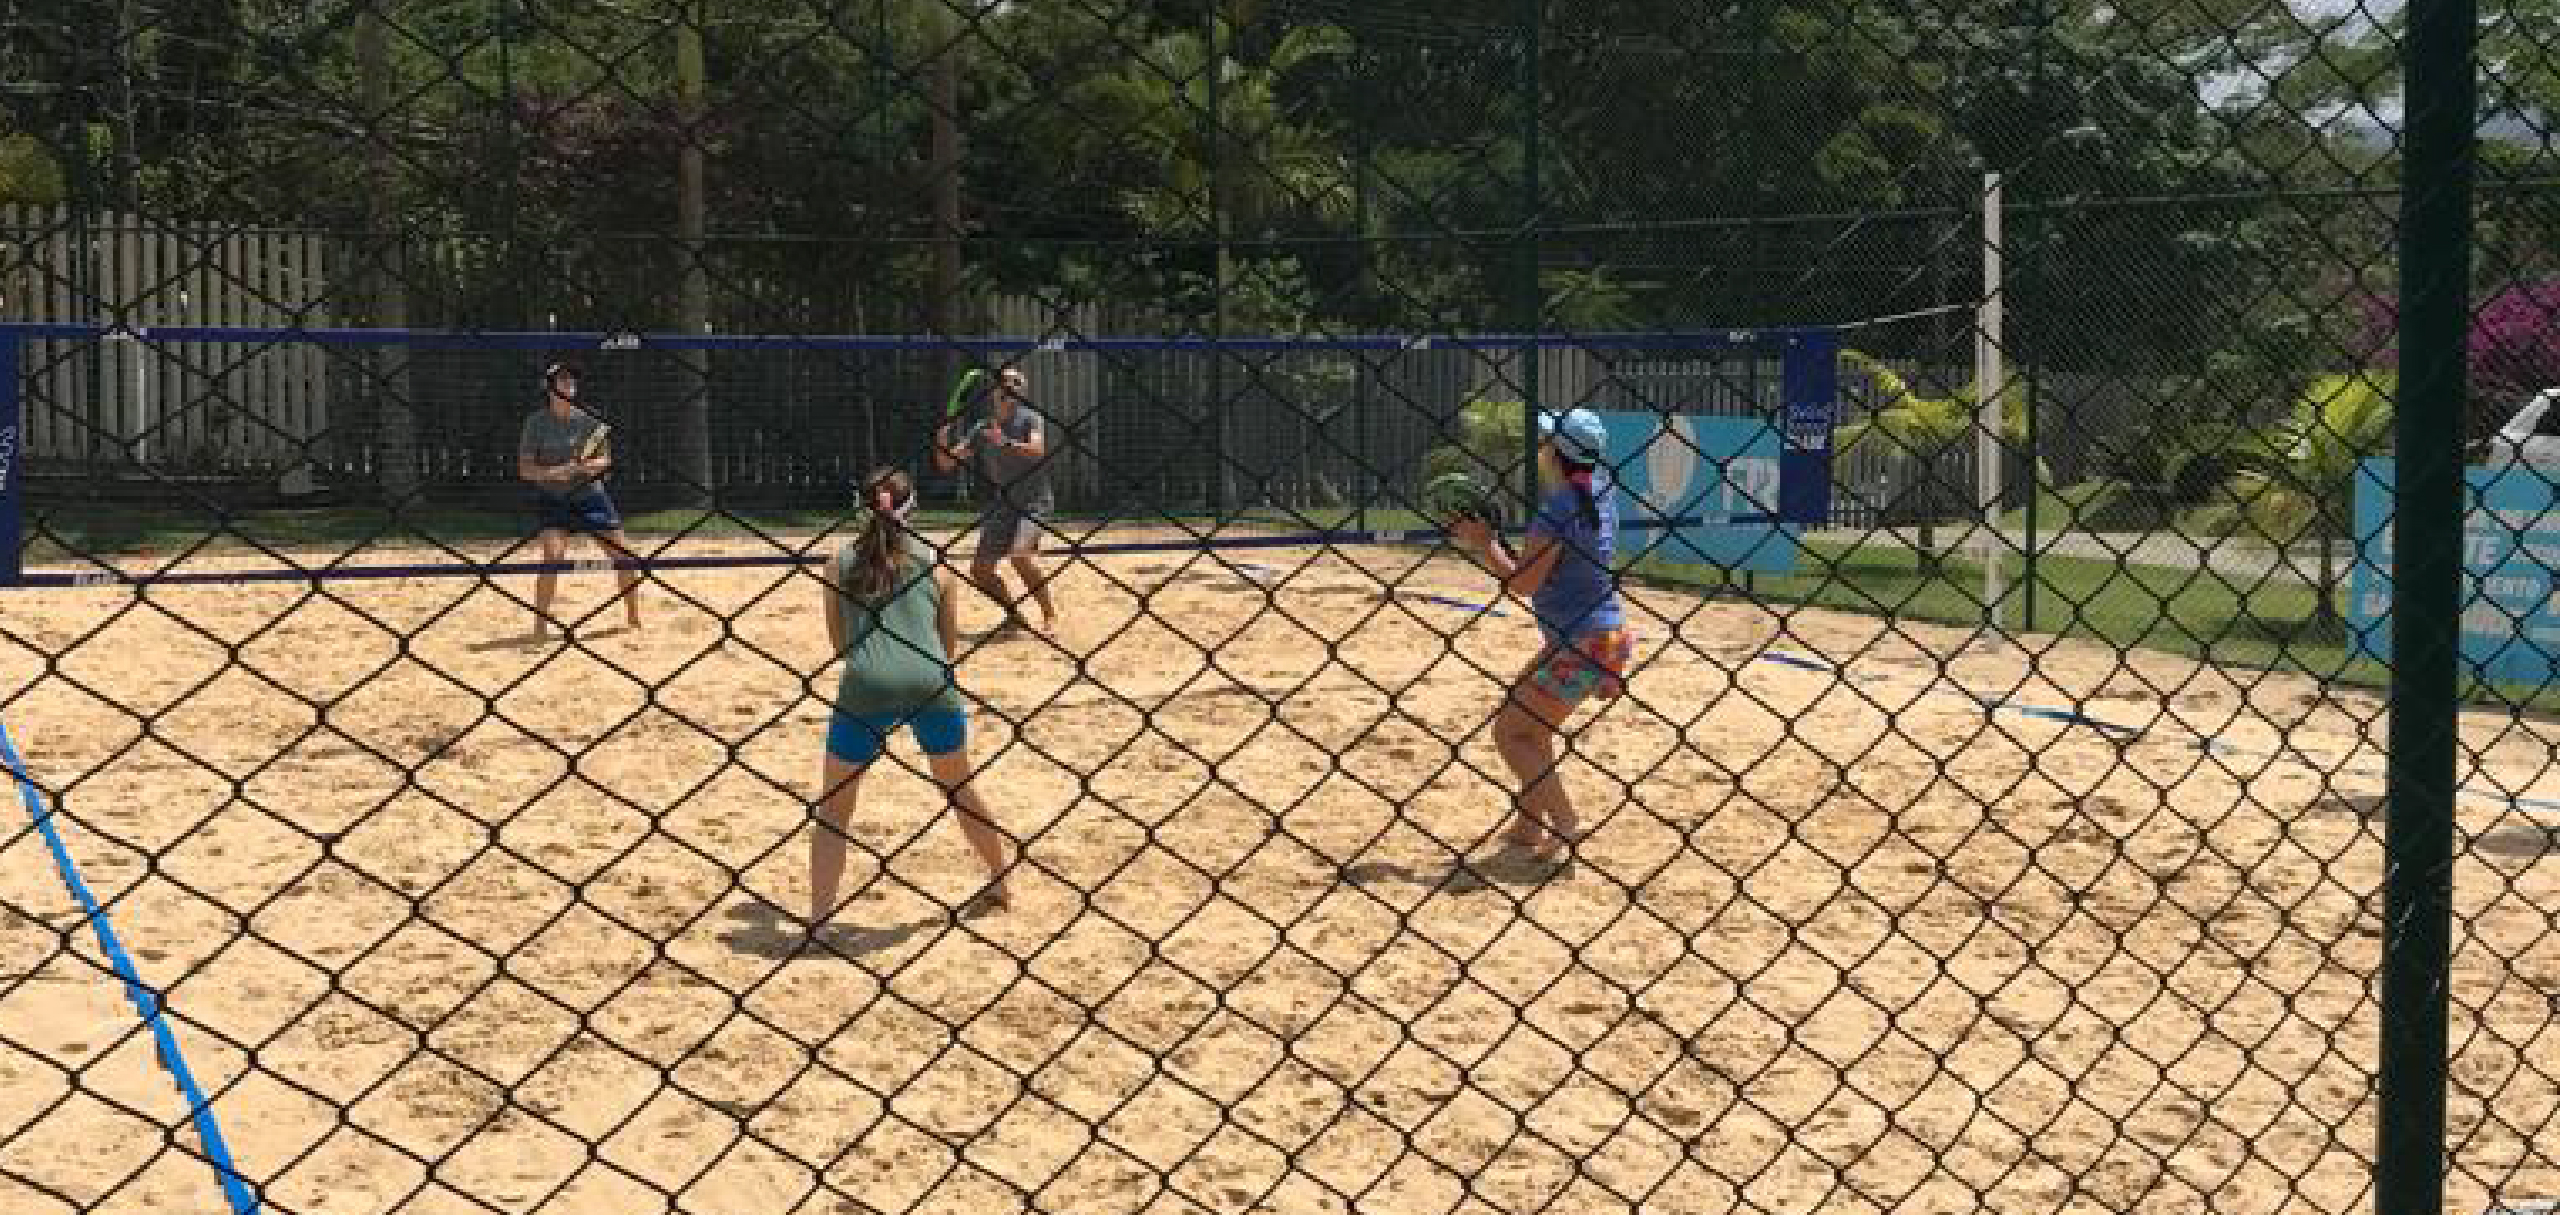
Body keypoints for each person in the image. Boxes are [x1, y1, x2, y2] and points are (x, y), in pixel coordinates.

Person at [809, 468, 1015, 929]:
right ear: (913, 508)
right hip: (931, 681)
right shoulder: (937, 565)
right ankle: (1001, 882)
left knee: (836, 807)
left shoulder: (837, 563)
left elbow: (840, 646)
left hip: (866, 682)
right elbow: (947, 649)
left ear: (860, 510)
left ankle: (820, 919)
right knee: (960, 788)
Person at [1445, 408, 1634, 865]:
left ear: (1555, 453)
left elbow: (1522, 586)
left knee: (1511, 733)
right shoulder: (1601, 494)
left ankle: (1566, 824)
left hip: (1580, 642)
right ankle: (1529, 825)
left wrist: (1485, 544)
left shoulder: (1558, 508)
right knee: (1535, 728)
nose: (1541, 449)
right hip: (1609, 636)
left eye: (1546, 442)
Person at [518, 361, 644, 637]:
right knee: (553, 556)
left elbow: (605, 459)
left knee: (624, 556)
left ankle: (633, 619)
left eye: (571, 379)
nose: (569, 383)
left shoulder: (592, 421)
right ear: (549, 388)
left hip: (590, 497)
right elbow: (525, 469)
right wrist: (555, 473)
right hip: (554, 499)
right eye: (562, 379)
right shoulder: (536, 423)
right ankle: (540, 627)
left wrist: (586, 467)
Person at [931, 365, 1058, 634]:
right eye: (1004, 383)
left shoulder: (1030, 418)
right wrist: (941, 438)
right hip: (1004, 505)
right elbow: (946, 463)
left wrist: (1007, 443)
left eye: (1015, 384)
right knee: (980, 570)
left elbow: (1037, 451)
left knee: (1020, 557)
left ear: (1022, 392)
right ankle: (1014, 616)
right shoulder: (982, 427)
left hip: (1035, 502)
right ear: (994, 391)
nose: (1008, 388)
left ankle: (1049, 614)